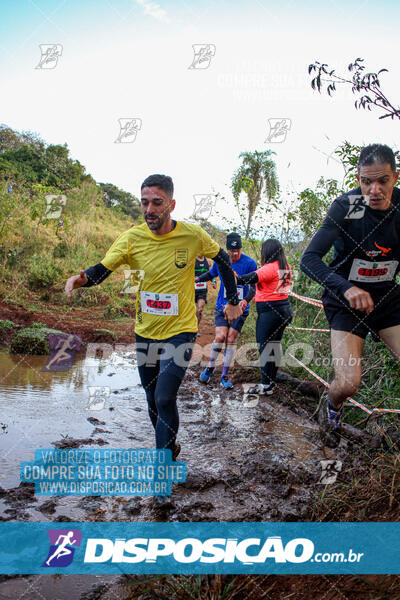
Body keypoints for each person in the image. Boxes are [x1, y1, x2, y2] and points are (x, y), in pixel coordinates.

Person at [65, 174, 242, 504]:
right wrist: (81, 279)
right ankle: (169, 446)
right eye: (144, 202)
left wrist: (232, 299)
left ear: (171, 205)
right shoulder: (131, 238)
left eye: (157, 202)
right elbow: (105, 268)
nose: (149, 209)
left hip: (181, 331)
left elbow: (221, 260)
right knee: (152, 402)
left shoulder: (191, 235)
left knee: (163, 398)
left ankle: (161, 476)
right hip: (145, 333)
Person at [300, 144, 400, 447]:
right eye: (366, 181)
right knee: (348, 383)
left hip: (387, 299)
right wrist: (346, 287)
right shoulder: (349, 206)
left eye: (382, 181)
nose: (374, 190)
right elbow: (309, 260)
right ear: (357, 179)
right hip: (345, 300)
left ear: (395, 177)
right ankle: (331, 405)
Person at [196, 232, 257, 389]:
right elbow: (211, 273)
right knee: (221, 336)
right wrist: (197, 279)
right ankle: (210, 367)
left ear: (241, 248)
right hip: (221, 306)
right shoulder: (222, 261)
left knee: (230, 339)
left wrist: (245, 301)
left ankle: (224, 375)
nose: (235, 254)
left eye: (237, 250)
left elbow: (253, 287)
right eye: (231, 251)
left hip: (240, 309)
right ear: (227, 249)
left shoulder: (249, 263)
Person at [235, 239, 293, 395]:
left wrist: (234, 278)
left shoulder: (269, 268)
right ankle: (270, 382)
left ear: (267, 252)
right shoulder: (285, 267)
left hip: (270, 312)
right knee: (274, 346)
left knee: (264, 347)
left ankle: (265, 385)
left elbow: (249, 278)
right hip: (284, 310)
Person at [194, 256, 217, 333]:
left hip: (202, 290)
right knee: (192, 311)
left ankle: (195, 329)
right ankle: (189, 328)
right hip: (192, 290)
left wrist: (213, 281)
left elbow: (210, 274)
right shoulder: (193, 259)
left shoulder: (208, 261)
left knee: (199, 309)